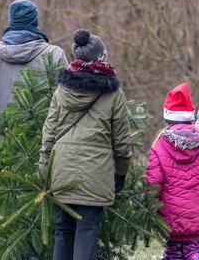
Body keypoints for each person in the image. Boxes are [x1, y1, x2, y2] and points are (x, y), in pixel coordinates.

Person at [39, 29, 131, 260]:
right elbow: (121, 140)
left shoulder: (63, 89)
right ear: (101, 57)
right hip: (96, 173)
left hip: (62, 170)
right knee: (87, 229)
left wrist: (43, 167)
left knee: (63, 228)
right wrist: (120, 173)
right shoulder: (113, 92)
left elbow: (49, 131)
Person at [145, 82, 199, 260]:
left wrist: (156, 208)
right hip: (197, 214)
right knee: (197, 250)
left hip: (170, 217)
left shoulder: (160, 144)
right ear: (190, 116)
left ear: (168, 117)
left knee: (173, 253)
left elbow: (153, 182)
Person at [0, 0, 67, 123]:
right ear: (35, 20)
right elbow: (65, 98)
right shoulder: (54, 54)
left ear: (11, 20)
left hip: (4, 137)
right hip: (45, 137)